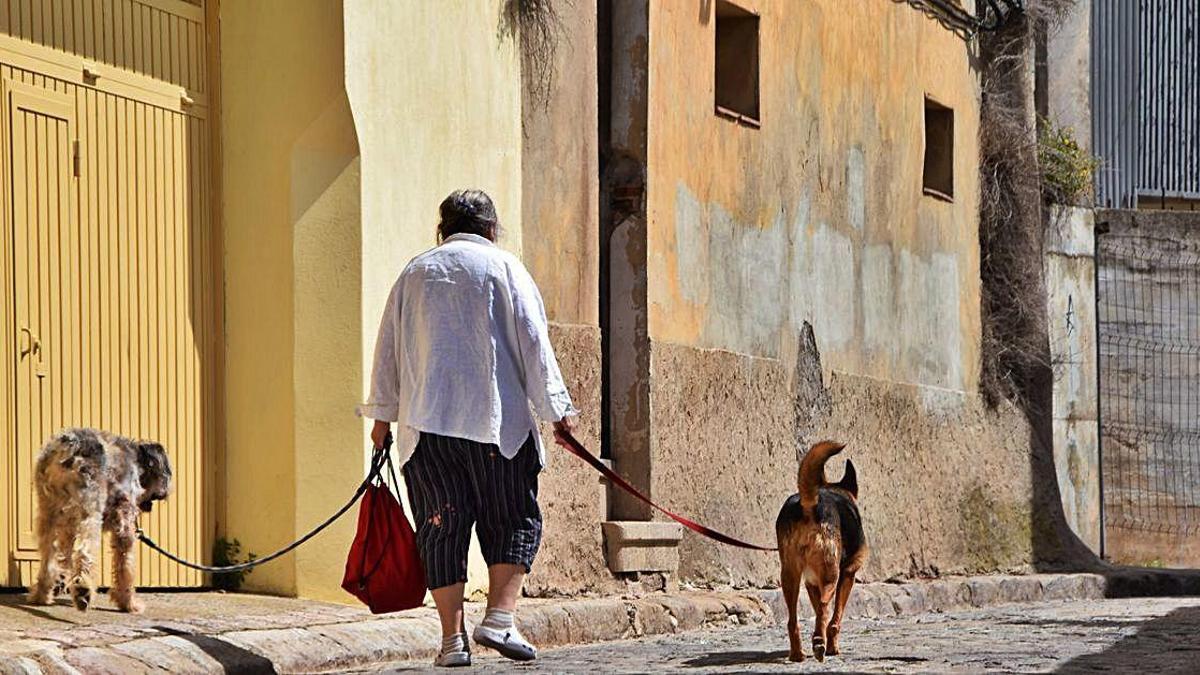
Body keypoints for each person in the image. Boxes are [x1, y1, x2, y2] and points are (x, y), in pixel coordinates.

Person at [358, 189, 577, 668]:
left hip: (427, 428)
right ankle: (499, 618)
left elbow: (388, 349)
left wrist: (381, 418)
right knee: (513, 518)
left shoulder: (415, 272)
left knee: (441, 530)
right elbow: (533, 343)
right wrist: (556, 411)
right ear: (493, 229)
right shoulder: (504, 268)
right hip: (496, 425)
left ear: (442, 229)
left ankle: (452, 642)